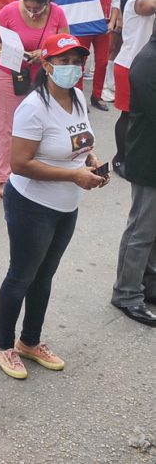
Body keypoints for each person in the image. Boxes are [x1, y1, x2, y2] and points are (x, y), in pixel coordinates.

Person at [0, 33, 108, 380]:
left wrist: (92, 160)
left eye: (76, 61)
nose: (71, 68)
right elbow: (20, 163)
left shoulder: (77, 97)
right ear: (46, 65)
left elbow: (82, 140)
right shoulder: (33, 107)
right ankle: (3, 345)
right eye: (63, 61)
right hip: (32, 205)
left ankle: (30, 340)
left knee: (45, 275)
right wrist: (73, 176)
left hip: (66, 207)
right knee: (21, 276)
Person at [0, 0, 69, 191]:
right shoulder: (9, 11)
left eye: (37, 9)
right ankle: (5, 177)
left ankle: (32, 168)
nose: (32, 13)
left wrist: (43, 53)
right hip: (8, 73)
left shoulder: (58, 13)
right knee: (8, 126)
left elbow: (64, 45)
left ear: (47, 1)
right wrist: (2, 51)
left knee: (39, 125)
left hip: (42, 75)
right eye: (28, 7)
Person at [111, 25, 156, 326]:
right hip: (148, 159)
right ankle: (126, 293)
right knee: (141, 229)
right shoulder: (148, 63)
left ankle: (148, 283)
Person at [112, 0, 156, 177]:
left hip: (148, 66)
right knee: (127, 114)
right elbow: (148, 7)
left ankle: (136, 154)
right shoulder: (138, 0)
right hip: (130, 66)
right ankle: (121, 158)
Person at [77, 0, 121, 111]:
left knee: (102, 61)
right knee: (80, 60)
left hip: (104, 23)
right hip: (86, 21)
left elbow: (116, 3)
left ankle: (97, 95)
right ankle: (78, 96)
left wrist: (112, 21)